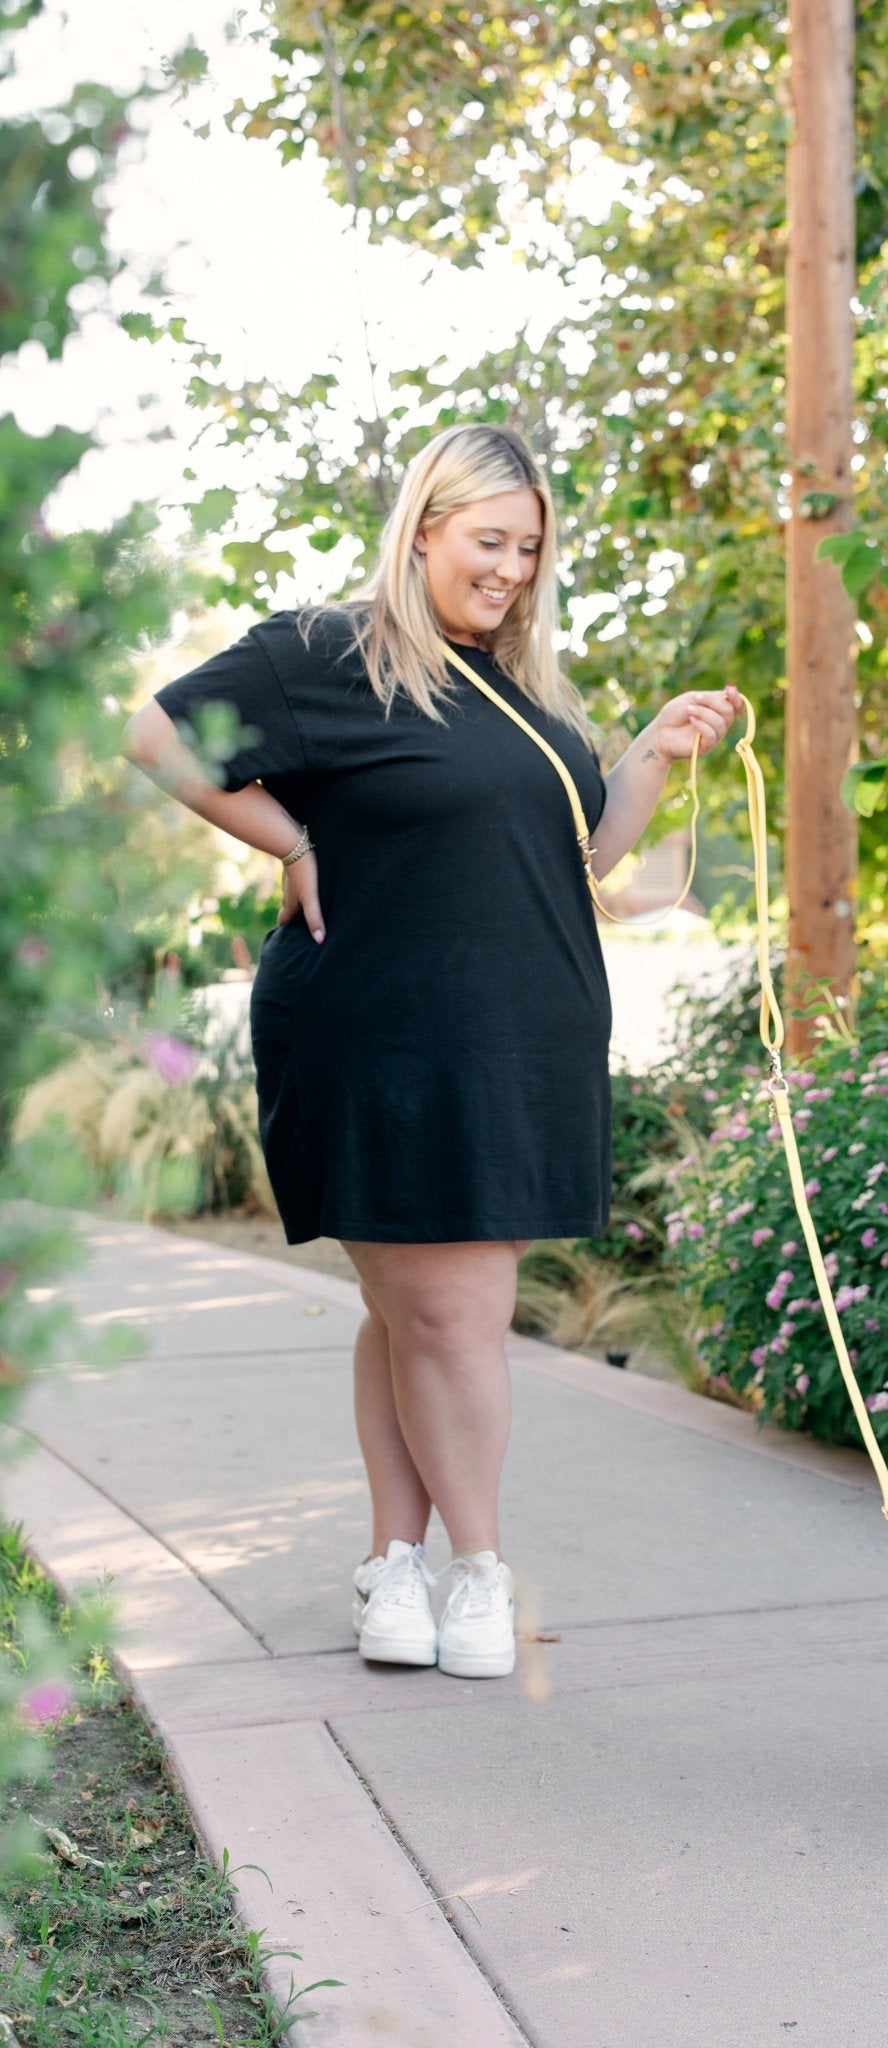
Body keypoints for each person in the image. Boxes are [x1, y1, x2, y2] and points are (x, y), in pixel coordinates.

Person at [124, 422, 740, 1680]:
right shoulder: (324, 654)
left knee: (412, 1307)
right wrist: (291, 842)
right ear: (423, 530)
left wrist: (649, 754)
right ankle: (479, 1568)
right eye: (488, 540)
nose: (510, 568)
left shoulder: (521, 692)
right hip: (378, 1027)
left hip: (518, 1037)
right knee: (454, 1309)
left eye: (529, 546)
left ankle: (391, 1565)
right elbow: (157, 736)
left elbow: (585, 853)